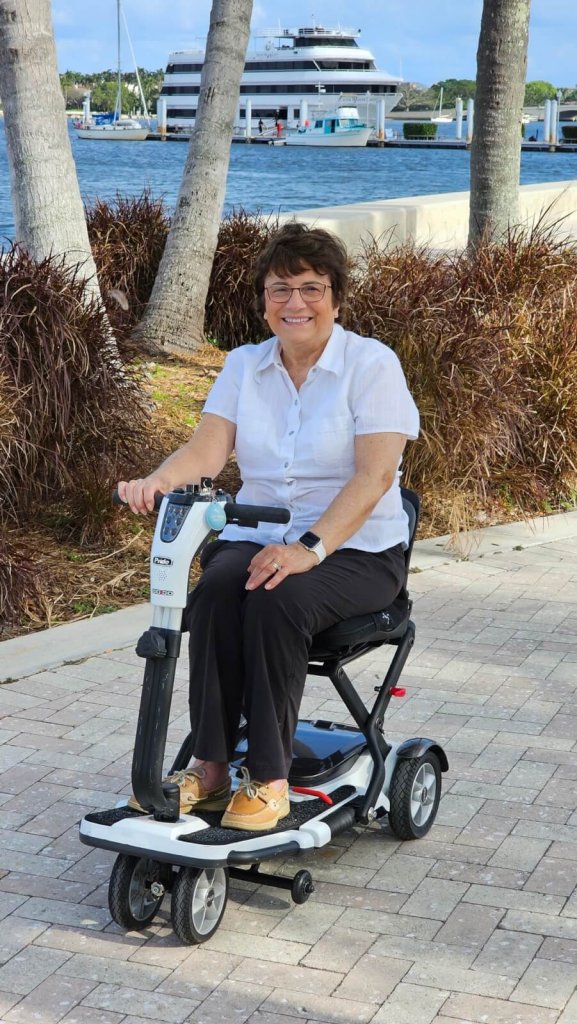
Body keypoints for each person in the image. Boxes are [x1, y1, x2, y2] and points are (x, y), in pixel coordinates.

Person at [119, 222, 419, 832]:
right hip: (259, 538)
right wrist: (157, 480)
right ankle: (207, 768)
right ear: (263, 300)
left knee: (276, 599)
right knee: (214, 593)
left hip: (358, 551)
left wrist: (308, 548)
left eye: (312, 288)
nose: (295, 303)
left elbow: (374, 477)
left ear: (336, 297)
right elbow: (206, 452)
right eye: (280, 289)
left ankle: (269, 780)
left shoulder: (371, 365)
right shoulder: (244, 365)